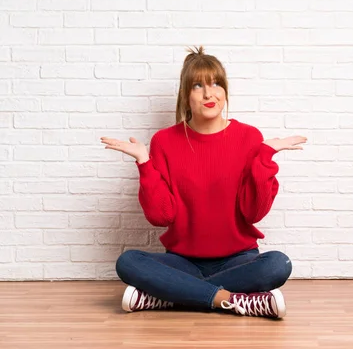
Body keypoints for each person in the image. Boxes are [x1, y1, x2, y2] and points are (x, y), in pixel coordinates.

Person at [100, 46, 307, 319]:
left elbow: (253, 213)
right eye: (198, 86)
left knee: (278, 264)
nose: (209, 94)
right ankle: (233, 300)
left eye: (216, 84)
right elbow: (161, 216)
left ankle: (169, 297)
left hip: (239, 259)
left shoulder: (249, 137)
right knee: (128, 263)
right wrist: (144, 163)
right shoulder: (164, 141)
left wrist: (265, 157)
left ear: (225, 91)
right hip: (182, 261)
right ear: (186, 96)